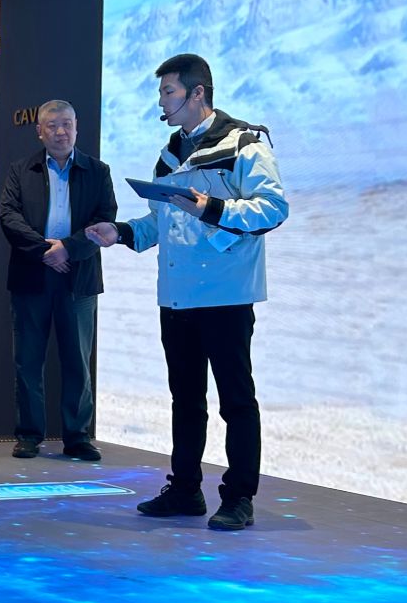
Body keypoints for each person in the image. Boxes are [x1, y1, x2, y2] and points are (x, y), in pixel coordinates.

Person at [87, 53, 287, 532]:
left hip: (226, 295)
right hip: (176, 297)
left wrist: (210, 206)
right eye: (161, 93)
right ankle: (185, 489)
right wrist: (121, 232)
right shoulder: (169, 154)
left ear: (198, 93)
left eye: (168, 92)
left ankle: (239, 497)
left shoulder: (243, 144)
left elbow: (272, 208)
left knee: (236, 400)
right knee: (186, 399)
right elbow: (160, 222)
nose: (162, 102)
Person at [0, 99, 116, 461]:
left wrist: (68, 249)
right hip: (31, 275)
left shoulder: (98, 171)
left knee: (78, 360)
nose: (60, 132)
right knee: (28, 360)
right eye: (52, 125)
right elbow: (8, 216)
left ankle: (78, 436)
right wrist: (45, 251)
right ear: (40, 131)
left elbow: (105, 219)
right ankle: (29, 434)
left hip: (78, 278)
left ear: (76, 127)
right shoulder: (21, 170)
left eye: (66, 124)